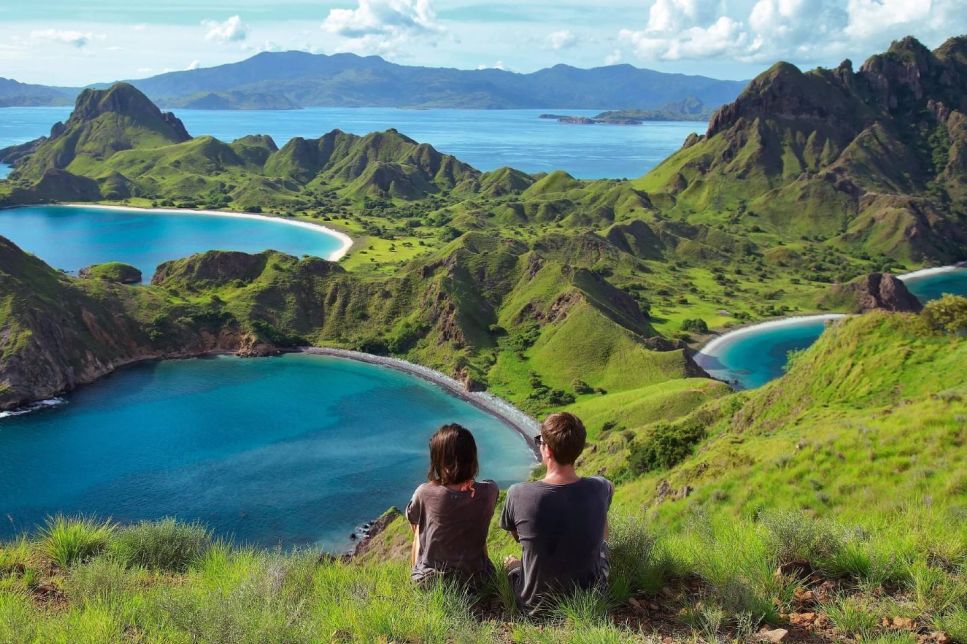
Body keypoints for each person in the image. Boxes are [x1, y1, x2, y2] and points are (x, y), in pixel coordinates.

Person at [500, 412, 613, 613]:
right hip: (593, 596)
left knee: (513, 564)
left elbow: (517, 536)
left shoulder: (518, 493)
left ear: (548, 450)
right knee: (601, 519)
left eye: (540, 441)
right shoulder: (603, 487)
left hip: (534, 605)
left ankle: (517, 568)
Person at [405, 423, 499, 588]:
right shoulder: (490, 490)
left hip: (431, 583)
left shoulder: (424, 493)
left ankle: (417, 574)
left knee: (419, 522)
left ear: (440, 462)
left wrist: (436, 484)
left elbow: (412, 518)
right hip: (479, 581)